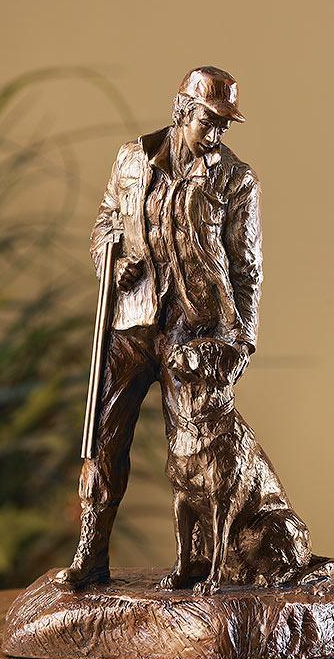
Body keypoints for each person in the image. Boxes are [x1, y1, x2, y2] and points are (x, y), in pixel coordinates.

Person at [55, 66, 262, 588]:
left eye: (224, 124)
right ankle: (91, 553)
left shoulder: (236, 180)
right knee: (105, 437)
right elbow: (105, 222)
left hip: (195, 331)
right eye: (209, 121)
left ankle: (197, 566)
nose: (217, 133)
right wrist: (110, 261)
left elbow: (246, 268)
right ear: (182, 111)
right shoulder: (132, 158)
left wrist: (242, 339)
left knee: (195, 449)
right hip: (132, 321)